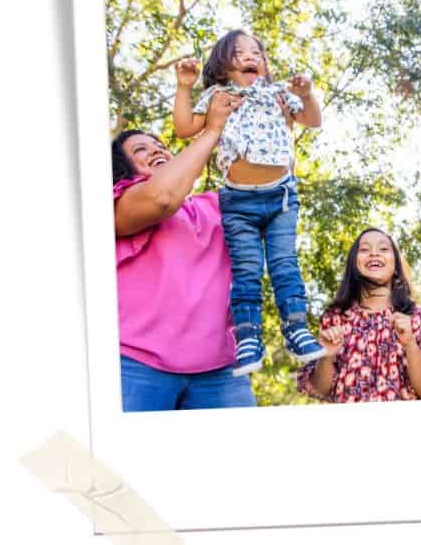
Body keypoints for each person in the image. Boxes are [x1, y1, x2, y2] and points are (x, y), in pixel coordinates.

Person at [173, 30, 325, 377]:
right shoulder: (217, 96)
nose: (250, 57)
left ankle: (297, 328)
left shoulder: (279, 93)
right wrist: (184, 86)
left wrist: (307, 94)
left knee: (285, 264)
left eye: (257, 52)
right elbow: (184, 128)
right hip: (238, 201)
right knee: (246, 270)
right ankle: (247, 337)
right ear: (224, 64)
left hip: (281, 197)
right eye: (240, 52)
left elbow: (313, 121)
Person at [112, 88, 257, 411]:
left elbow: (265, 194)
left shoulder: (213, 205)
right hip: (134, 365)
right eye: (141, 149)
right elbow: (162, 198)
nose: (157, 150)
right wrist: (212, 130)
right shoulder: (121, 200)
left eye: (161, 146)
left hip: (220, 373)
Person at [297, 228, 421, 402]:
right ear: (354, 264)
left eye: (383, 249)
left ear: (396, 265)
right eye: (364, 249)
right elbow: (320, 390)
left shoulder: (415, 317)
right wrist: (327, 355)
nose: (374, 253)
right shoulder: (335, 318)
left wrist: (410, 343)